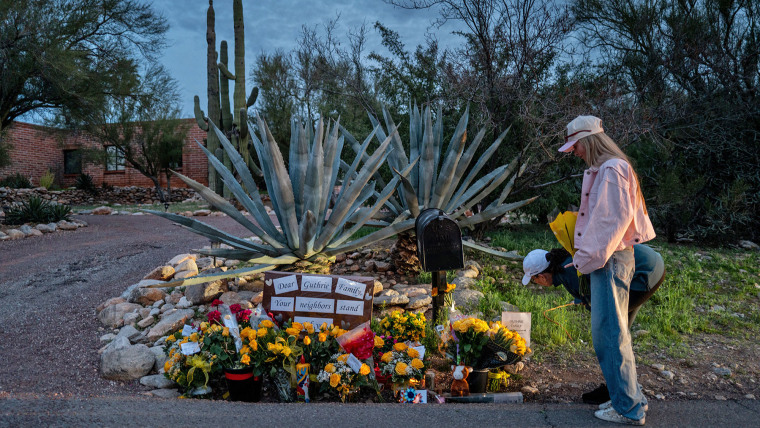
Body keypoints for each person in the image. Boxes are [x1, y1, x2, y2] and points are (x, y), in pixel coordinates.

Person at [555, 115, 655, 425]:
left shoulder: (611, 169)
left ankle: (628, 408)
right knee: (613, 333)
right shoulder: (612, 167)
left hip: (608, 259)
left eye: (576, 147)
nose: (575, 153)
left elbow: (610, 223)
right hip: (610, 258)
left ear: (588, 141)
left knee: (610, 335)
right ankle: (630, 398)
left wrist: (583, 259)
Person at [522, 244, 666, 405]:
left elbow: (598, 304)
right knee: (619, 334)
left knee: (610, 336)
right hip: (649, 264)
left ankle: (622, 397)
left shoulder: (567, 272)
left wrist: (588, 302)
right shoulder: (566, 262)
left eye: (534, 280)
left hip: (642, 274)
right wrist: (583, 300)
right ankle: (626, 389)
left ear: (541, 276)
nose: (537, 283)